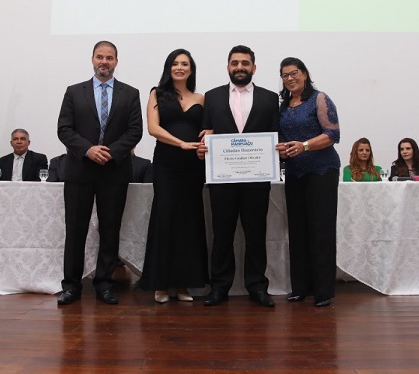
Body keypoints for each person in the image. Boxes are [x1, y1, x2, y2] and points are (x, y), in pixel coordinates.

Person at [56, 40, 143, 306]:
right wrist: (88, 150)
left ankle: (104, 283)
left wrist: (110, 152)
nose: (104, 62)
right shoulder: (74, 92)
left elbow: (135, 131)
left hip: (114, 171)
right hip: (79, 170)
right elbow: (64, 129)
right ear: (92, 59)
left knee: (110, 229)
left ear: (116, 61)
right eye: (99, 57)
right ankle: (71, 286)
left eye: (109, 57)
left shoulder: (131, 93)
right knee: (75, 231)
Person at [197, 45, 279, 308]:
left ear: (254, 67)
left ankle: (257, 286)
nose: (240, 67)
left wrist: (277, 151)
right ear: (228, 67)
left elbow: (276, 135)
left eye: (245, 63)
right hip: (222, 180)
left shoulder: (269, 98)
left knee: (256, 234)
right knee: (222, 234)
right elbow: (205, 133)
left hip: (257, 180)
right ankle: (219, 287)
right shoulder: (212, 97)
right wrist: (202, 147)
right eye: (235, 63)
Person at [139, 49, 208, 304]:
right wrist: (181, 143)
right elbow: (153, 128)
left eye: (185, 64)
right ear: (169, 67)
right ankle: (161, 284)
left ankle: (182, 284)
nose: (180, 67)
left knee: (189, 221)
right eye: (175, 63)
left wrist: (208, 137)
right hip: (167, 163)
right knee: (165, 217)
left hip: (193, 166)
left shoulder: (201, 98)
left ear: (191, 69)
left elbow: (207, 129)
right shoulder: (157, 93)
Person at [276, 57, 340, 308]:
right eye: (285, 75)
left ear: (304, 74)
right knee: (298, 230)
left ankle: (323, 291)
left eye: (294, 73)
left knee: (321, 230)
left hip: (322, 170)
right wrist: (281, 150)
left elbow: (333, 134)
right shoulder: (282, 106)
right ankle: (300, 288)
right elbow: (281, 139)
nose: (290, 78)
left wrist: (304, 145)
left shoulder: (319, 98)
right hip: (294, 173)